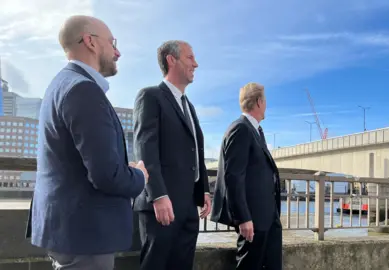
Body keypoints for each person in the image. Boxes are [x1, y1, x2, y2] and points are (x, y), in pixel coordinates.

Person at [25, 15, 148, 270]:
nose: (118, 52)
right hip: (86, 235)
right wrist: (139, 176)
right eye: (113, 43)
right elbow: (106, 175)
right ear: (90, 42)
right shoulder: (83, 90)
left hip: (69, 232)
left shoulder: (60, 85)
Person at [132, 40, 212, 270]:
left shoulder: (189, 105)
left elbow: (195, 150)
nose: (195, 64)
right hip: (163, 204)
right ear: (171, 59)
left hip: (188, 205)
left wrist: (203, 189)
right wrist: (157, 195)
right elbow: (145, 148)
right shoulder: (151, 96)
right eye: (190, 57)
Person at [210, 82, 283, 269]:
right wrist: (243, 218)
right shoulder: (241, 129)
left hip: (267, 218)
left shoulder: (255, 131)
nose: (266, 105)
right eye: (265, 101)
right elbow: (233, 176)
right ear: (259, 102)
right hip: (254, 219)